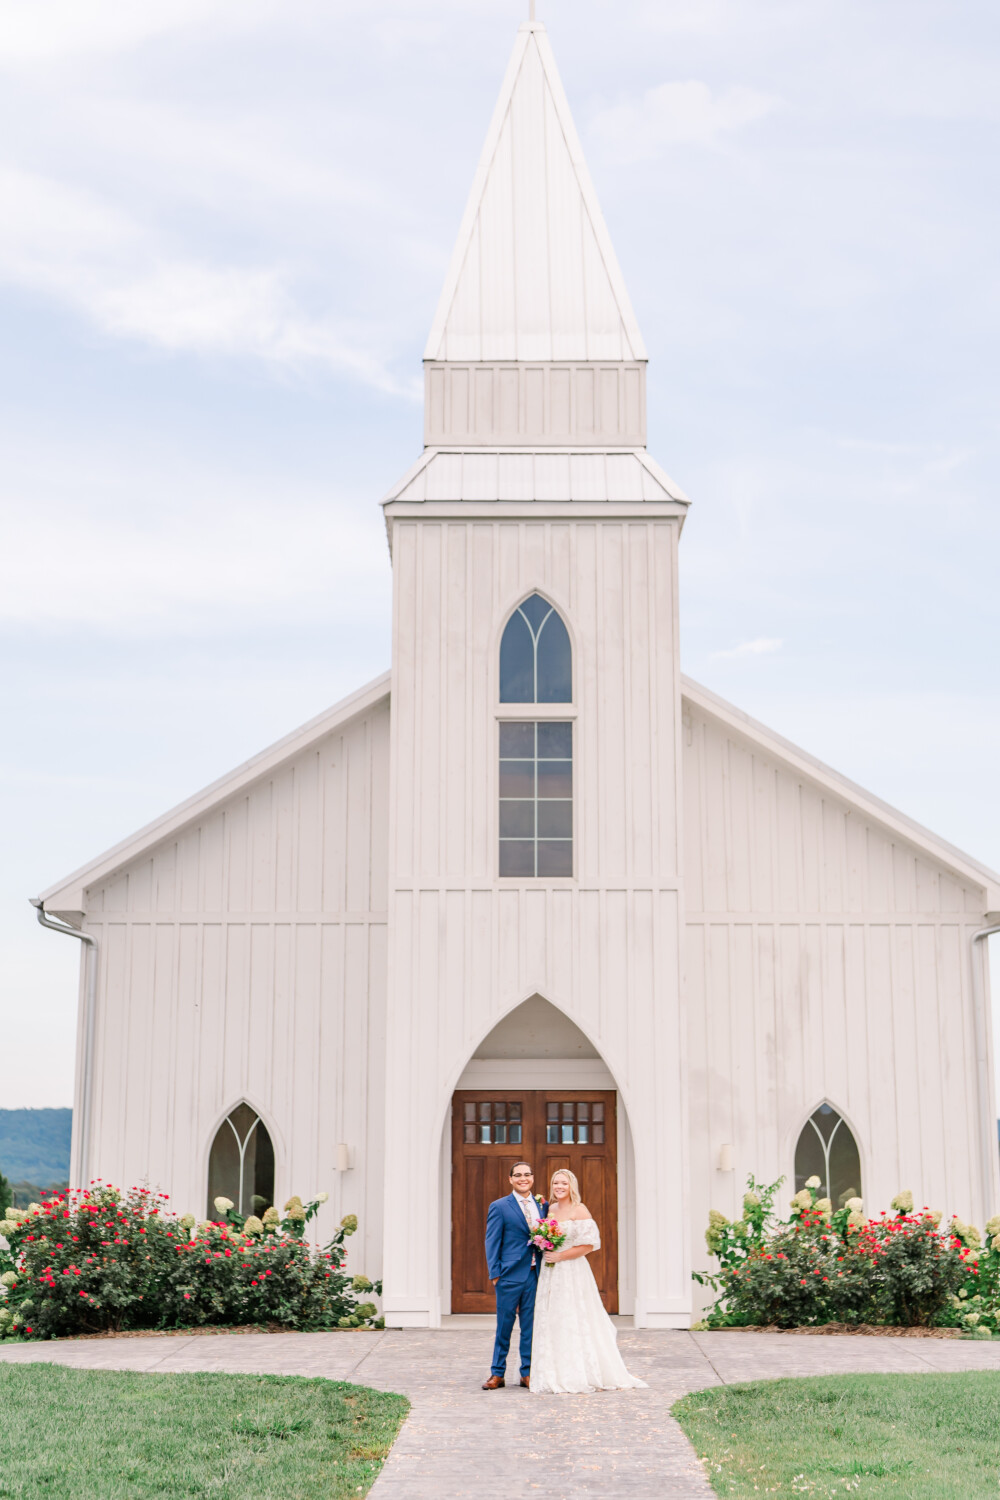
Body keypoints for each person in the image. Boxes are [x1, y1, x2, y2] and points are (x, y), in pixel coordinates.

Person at [529, 1168, 646, 1394]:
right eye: (555, 1183)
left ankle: (577, 1372)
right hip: (550, 1270)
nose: (559, 1187)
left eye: (563, 1183)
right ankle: (551, 1370)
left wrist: (561, 1255)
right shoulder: (549, 1209)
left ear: (571, 1185)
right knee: (552, 1315)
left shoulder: (579, 1209)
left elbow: (589, 1245)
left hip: (572, 1269)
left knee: (574, 1315)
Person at [482, 1162, 547, 1390]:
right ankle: (497, 1374)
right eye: (518, 1175)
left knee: (530, 1327)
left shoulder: (542, 1205)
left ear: (532, 1177)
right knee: (504, 1327)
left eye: (527, 1174)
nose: (523, 1178)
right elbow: (491, 1241)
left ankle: (526, 1373)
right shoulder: (500, 1206)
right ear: (510, 1179)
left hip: (534, 1274)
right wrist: (496, 1274)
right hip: (509, 1275)